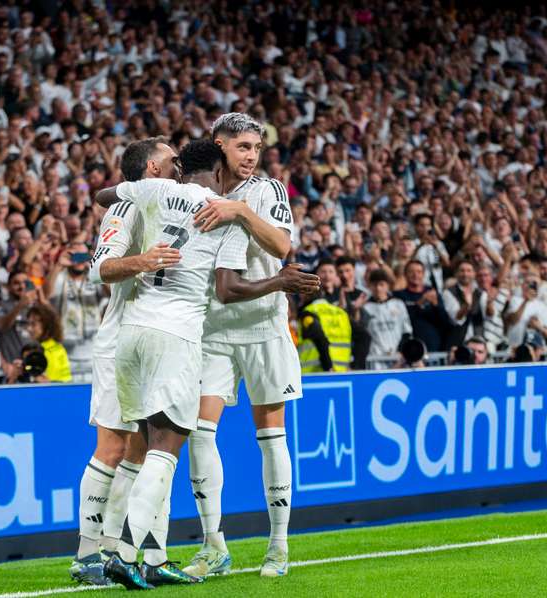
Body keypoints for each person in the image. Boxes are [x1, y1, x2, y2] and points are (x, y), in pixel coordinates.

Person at [94, 139, 317, 589]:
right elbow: (227, 289)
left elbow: (105, 196)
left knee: (141, 446)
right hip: (177, 336)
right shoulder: (221, 210)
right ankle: (123, 551)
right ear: (218, 169)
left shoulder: (154, 190)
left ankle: (124, 552)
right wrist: (280, 281)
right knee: (167, 446)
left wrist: (147, 184)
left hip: (131, 332)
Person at [180, 113, 303, 579]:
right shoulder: (195, 190)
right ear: (220, 146)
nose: (251, 156)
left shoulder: (267, 191)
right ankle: (213, 544)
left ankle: (278, 545)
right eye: (242, 147)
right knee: (198, 430)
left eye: (256, 148)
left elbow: (282, 245)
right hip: (213, 331)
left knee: (271, 438)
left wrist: (241, 212)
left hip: (264, 327)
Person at [70, 138, 181, 586]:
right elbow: (99, 268)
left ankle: (141, 554)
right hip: (120, 344)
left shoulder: (168, 206)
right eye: (173, 160)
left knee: (148, 451)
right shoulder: (126, 207)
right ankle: (86, 555)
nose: (180, 166)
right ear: (152, 167)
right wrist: (145, 260)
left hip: (155, 342)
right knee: (113, 448)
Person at [46, 239, 102, 377]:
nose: (79, 260)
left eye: (83, 255)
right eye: (75, 255)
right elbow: (46, 294)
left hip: (93, 351)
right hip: (67, 352)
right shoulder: (60, 277)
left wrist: (96, 265)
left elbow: (111, 293)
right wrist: (59, 265)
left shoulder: (94, 277)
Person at [363, 269, 413, 369]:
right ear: (370, 286)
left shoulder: (398, 304)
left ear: (387, 286)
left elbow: (407, 332)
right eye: (374, 285)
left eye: (381, 285)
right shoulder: (365, 307)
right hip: (376, 359)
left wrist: (401, 351)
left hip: (398, 357)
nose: (378, 288)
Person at [298, 296, 352, 372]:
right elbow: (365, 336)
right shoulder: (341, 313)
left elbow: (319, 337)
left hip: (315, 372)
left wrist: (328, 366)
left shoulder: (308, 312)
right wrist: (356, 365)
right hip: (341, 372)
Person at [27, 303, 72, 382]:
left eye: (33, 324)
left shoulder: (40, 352)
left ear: (46, 325)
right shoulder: (59, 347)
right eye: (28, 324)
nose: (29, 329)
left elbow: (48, 383)